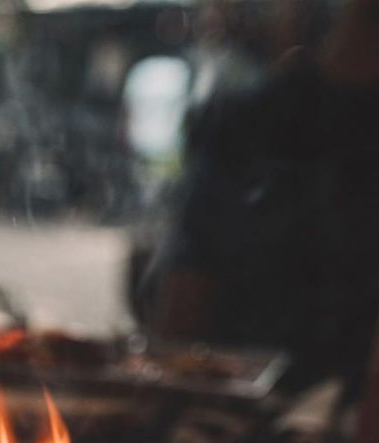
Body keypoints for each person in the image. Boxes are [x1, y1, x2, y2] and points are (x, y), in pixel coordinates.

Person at [141, 0, 379, 403]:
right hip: (233, 407)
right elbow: (184, 290)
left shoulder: (249, 114)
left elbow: (184, 288)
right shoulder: (252, 119)